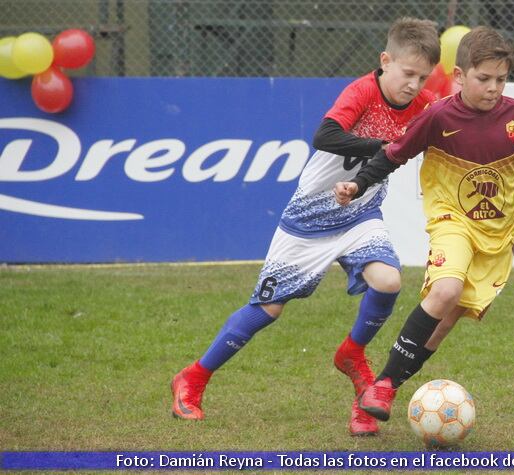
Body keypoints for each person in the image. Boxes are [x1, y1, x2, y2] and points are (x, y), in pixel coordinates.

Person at [170, 17, 440, 437]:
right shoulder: (363, 91)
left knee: (388, 280)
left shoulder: (424, 105)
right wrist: (385, 148)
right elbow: (325, 135)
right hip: (308, 220)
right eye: (408, 73)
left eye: (422, 78)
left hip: (360, 214)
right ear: (385, 61)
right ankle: (193, 378)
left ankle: (353, 355)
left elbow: (452, 121)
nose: (414, 84)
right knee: (268, 309)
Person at [334, 26, 514, 422]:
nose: (493, 88)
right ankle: (382, 386)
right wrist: (358, 182)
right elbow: (394, 155)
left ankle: (380, 391)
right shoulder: (437, 115)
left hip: (497, 231)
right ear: (459, 76)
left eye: (501, 80)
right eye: (483, 78)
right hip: (451, 220)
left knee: (447, 317)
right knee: (446, 290)